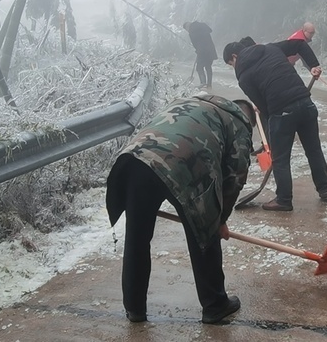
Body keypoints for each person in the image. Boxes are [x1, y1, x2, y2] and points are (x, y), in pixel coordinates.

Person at [105, 94, 255, 325]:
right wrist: (220, 219)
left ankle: (135, 308)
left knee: (137, 237)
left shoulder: (191, 102)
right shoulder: (239, 123)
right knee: (204, 231)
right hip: (183, 165)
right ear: (247, 116)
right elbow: (236, 176)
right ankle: (215, 305)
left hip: (135, 159)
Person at [222, 38, 327, 211]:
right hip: (306, 103)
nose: (233, 67)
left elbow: (265, 109)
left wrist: (267, 119)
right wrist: (313, 65)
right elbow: (300, 44)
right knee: (314, 149)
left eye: (231, 63)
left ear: (235, 56)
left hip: (282, 111)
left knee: (280, 159)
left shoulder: (243, 76)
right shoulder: (270, 48)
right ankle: (324, 189)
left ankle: (284, 199)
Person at [183, 21, 217, 89]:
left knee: (199, 68)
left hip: (202, 52)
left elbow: (195, 44)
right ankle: (209, 85)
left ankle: (203, 82)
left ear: (187, 27)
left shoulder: (191, 32)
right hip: (210, 49)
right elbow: (210, 30)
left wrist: (198, 50)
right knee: (208, 67)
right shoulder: (203, 25)